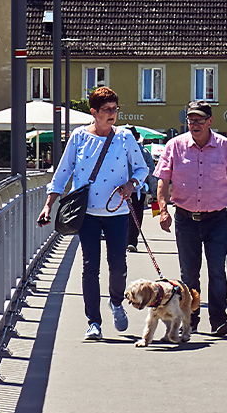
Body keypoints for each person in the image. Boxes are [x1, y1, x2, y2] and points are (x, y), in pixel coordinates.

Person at [37, 87, 149, 341]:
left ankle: (117, 302)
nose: (112, 114)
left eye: (115, 109)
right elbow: (63, 172)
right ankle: (93, 322)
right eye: (106, 110)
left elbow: (142, 169)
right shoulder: (78, 137)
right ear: (94, 112)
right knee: (90, 266)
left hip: (117, 211)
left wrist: (131, 184)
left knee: (118, 265)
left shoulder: (125, 138)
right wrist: (48, 204)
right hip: (86, 212)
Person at [154, 100, 227, 337]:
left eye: (199, 120)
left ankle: (219, 320)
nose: (194, 125)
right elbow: (163, 179)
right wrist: (163, 210)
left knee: (216, 270)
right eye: (191, 120)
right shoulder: (174, 146)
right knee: (189, 275)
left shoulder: (225, 147)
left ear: (210, 122)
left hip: (216, 220)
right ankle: (190, 320)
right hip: (185, 219)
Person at [126, 126, 158, 252]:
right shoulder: (144, 152)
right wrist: (155, 193)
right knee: (136, 216)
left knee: (122, 216)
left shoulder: (117, 151)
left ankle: (122, 241)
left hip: (120, 191)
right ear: (137, 137)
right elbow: (151, 173)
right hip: (138, 190)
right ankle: (132, 241)